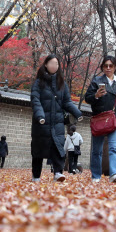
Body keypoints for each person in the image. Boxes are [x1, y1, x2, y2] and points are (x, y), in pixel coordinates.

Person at [31, 54, 83, 183]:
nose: (54, 66)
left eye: (57, 64)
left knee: (58, 148)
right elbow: (35, 100)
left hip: (57, 122)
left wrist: (77, 113)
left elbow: (67, 102)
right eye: (52, 63)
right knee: (39, 149)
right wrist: (40, 115)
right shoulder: (38, 82)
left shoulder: (62, 84)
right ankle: (36, 176)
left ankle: (58, 173)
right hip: (41, 123)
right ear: (46, 65)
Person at [84, 55, 116, 183]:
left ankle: (115, 173)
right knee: (97, 150)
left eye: (111, 65)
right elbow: (87, 98)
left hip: (114, 119)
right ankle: (96, 176)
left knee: (114, 147)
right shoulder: (96, 81)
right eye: (106, 65)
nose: (108, 68)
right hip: (99, 118)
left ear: (115, 67)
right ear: (102, 67)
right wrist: (96, 95)